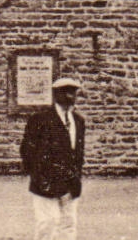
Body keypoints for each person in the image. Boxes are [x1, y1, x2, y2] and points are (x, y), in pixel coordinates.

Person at [21, 77, 87, 240]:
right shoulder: (40, 120)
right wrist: (38, 178)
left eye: (73, 93)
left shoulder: (78, 121)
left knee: (68, 223)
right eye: (65, 92)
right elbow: (27, 151)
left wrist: (76, 175)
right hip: (45, 182)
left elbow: (78, 153)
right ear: (56, 94)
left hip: (70, 182)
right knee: (47, 223)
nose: (70, 97)